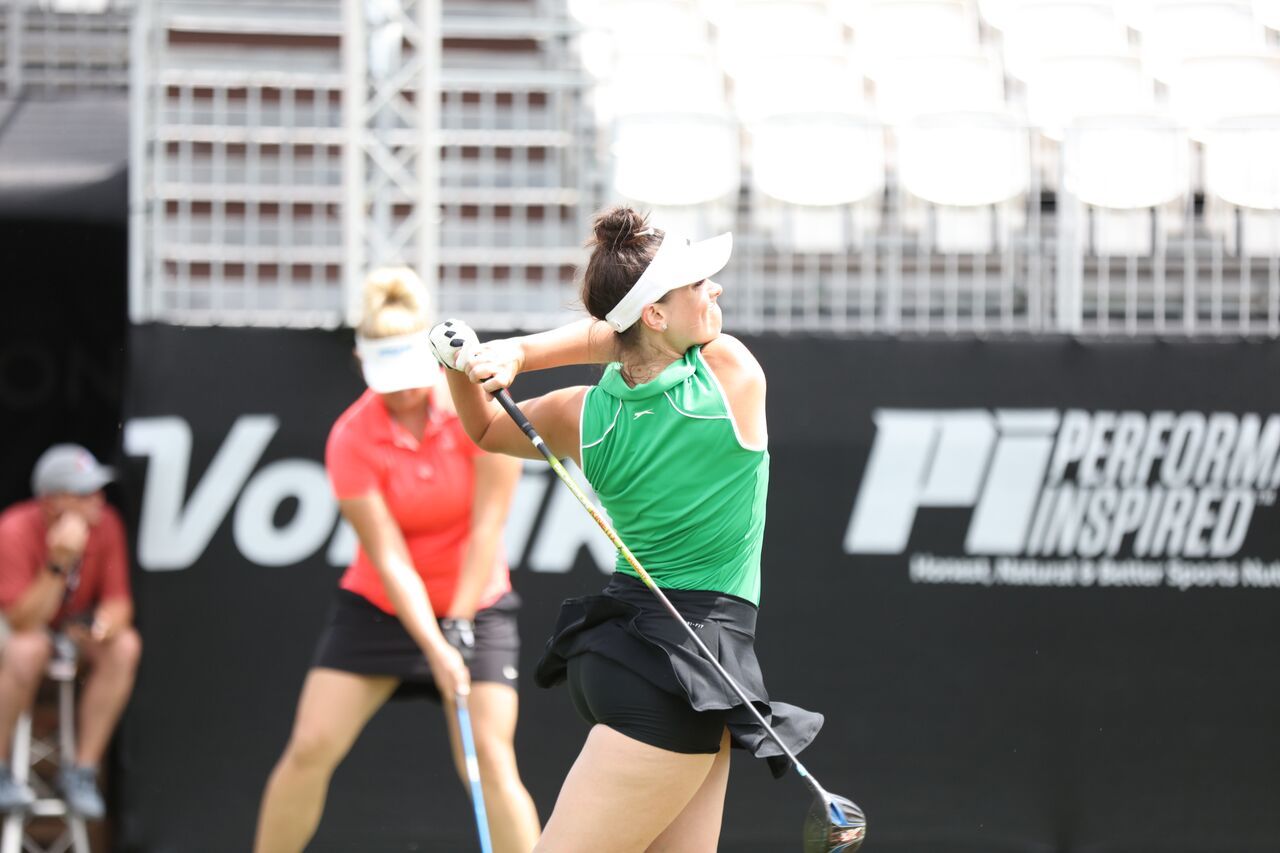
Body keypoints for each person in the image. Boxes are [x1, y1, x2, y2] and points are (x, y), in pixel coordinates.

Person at [433, 206, 823, 853]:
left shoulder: (580, 415)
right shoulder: (732, 378)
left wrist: (476, 360)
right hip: (680, 681)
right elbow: (612, 335)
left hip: (642, 663)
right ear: (657, 314)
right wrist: (522, 351)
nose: (715, 290)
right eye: (698, 284)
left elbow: (482, 427)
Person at [253, 267, 540, 853]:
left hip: (476, 604)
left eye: (413, 375)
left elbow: (488, 526)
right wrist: (435, 645)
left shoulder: (479, 409)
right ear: (361, 363)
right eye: (387, 376)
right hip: (381, 607)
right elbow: (388, 557)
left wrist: (457, 623)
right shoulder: (350, 438)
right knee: (310, 747)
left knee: (487, 759)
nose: (404, 390)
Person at [0, 444, 142, 819]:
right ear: (51, 502)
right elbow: (22, 621)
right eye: (83, 494)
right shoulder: (13, 529)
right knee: (27, 649)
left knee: (124, 645)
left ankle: (82, 771)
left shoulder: (107, 524)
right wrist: (58, 563)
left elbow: (118, 602)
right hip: (20, 633)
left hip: (68, 630)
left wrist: (103, 626)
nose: (96, 500)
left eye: (98, 490)